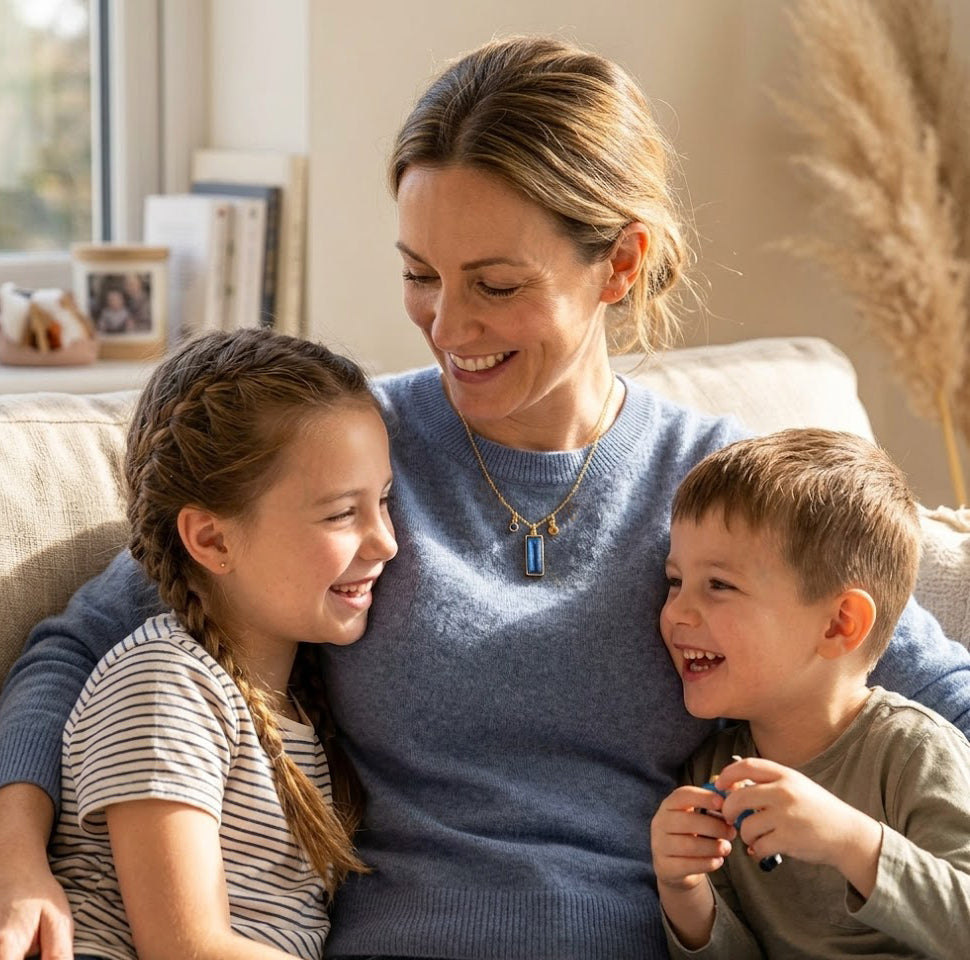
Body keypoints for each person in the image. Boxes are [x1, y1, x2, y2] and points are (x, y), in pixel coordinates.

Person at [2, 35, 970, 960]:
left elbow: (930, 685)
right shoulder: (339, 458)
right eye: (419, 275)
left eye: (496, 285)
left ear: (620, 265)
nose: (447, 325)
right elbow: (79, 647)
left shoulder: (731, 494)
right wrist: (16, 864)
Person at [48, 328, 397, 959]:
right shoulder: (163, 685)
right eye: (342, 513)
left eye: (383, 501)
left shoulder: (299, 707)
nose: (386, 542)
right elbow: (186, 948)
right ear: (211, 540)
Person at [651, 429, 970, 960]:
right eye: (674, 580)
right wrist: (685, 895)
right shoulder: (709, 775)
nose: (677, 612)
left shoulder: (914, 751)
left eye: (719, 585)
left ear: (838, 624)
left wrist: (852, 842)